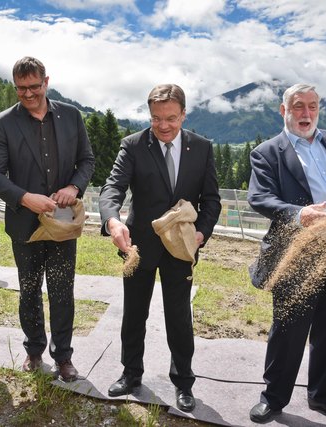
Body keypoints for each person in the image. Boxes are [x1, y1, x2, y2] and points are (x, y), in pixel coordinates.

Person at [247, 84, 326, 422]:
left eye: (312, 106)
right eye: (298, 106)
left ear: (320, 109)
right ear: (283, 110)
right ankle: (273, 399)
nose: (305, 114)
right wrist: (299, 214)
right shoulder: (267, 152)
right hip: (297, 251)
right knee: (289, 327)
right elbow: (260, 198)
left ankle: (322, 395)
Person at [98, 84, 221, 413]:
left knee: (179, 315)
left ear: (183, 114)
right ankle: (131, 374)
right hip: (138, 244)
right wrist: (112, 221)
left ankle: (183, 382)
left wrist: (201, 235)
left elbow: (211, 200)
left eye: (171, 118)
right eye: (156, 119)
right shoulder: (133, 146)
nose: (163, 126)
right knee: (134, 311)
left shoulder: (202, 148)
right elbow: (113, 188)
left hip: (181, 247)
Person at [0, 56, 94, 381]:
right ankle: (34, 351)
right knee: (29, 290)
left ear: (46, 81)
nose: (29, 94)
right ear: (15, 88)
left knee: (62, 291)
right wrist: (24, 197)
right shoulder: (2, 123)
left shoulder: (72, 116)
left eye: (34, 87)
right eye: (21, 89)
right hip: (24, 224)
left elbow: (86, 160)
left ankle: (63, 357)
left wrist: (74, 186)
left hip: (61, 223)